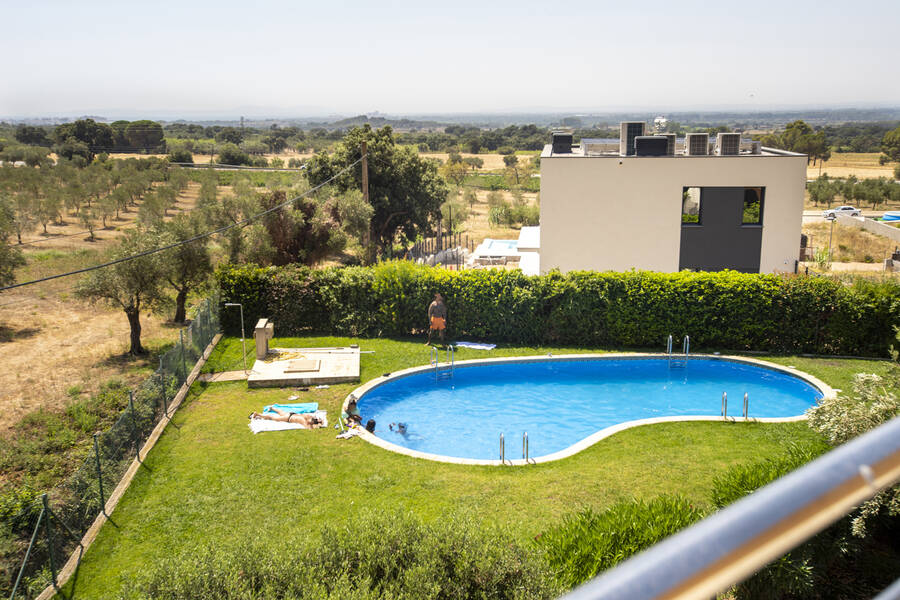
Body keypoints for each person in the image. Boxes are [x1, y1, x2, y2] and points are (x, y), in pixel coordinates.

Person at [249, 407, 324, 428]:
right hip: (288, 418)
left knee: (280, 412)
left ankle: (272, 408)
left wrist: (318, 421)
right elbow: (309, 427)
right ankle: (257, 414)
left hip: (291, 414)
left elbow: (313, 418)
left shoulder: (308, 416)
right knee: (272, 418)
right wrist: (319, 424)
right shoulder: (304, 421)